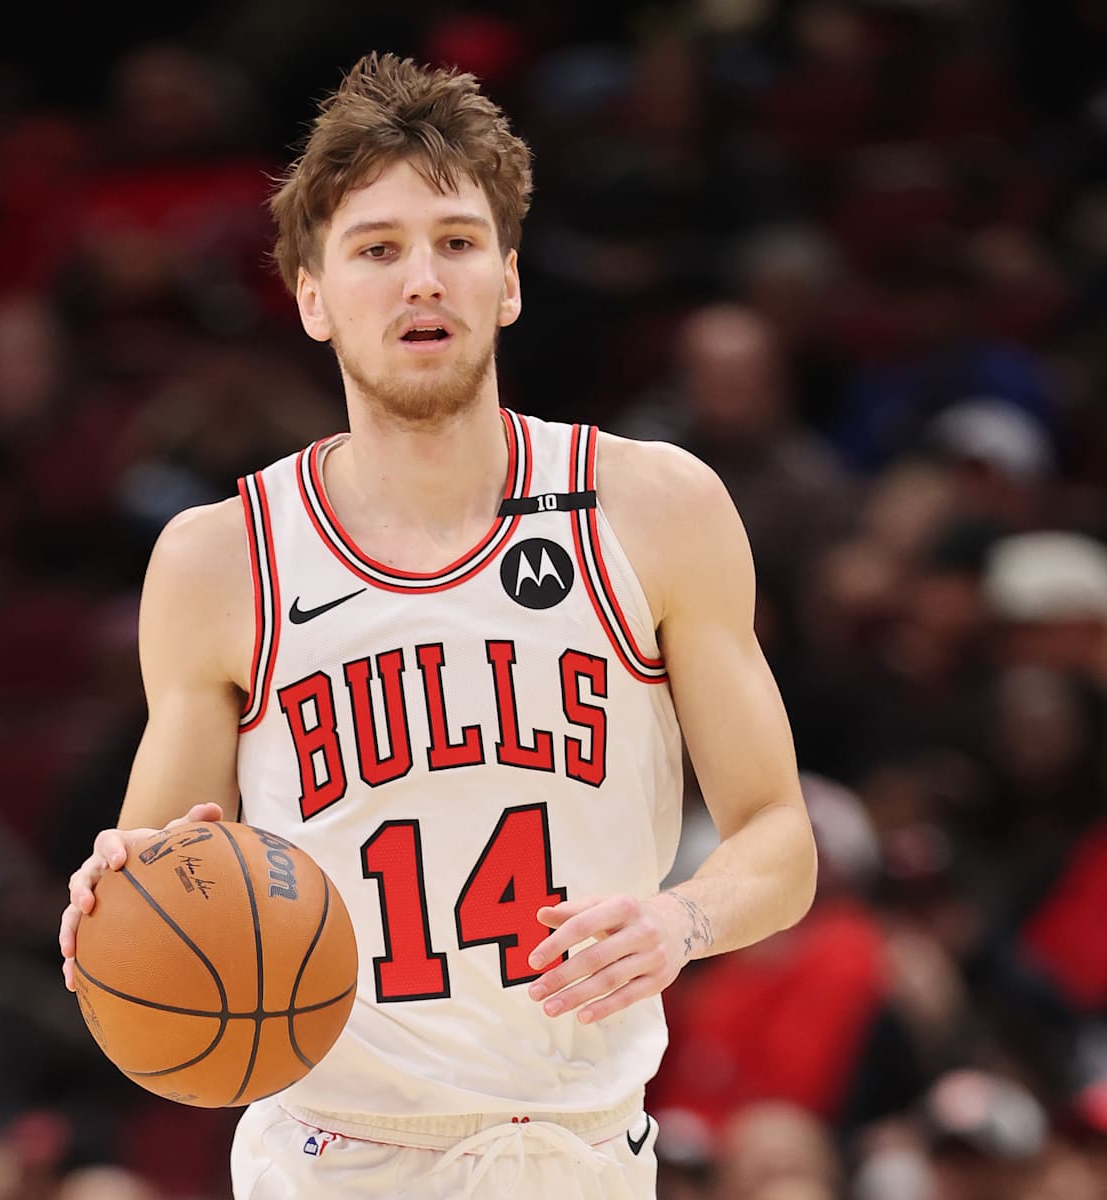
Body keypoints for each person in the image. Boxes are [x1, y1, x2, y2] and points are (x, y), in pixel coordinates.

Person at [57, 54, 816, 1199]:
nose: (424, 279)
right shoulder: (222, 560)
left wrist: (682, 920)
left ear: (508, 282)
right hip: (333, 1155)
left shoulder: (654, 507)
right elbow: (165, 872)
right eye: (377, 249)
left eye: (457, 243)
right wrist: (112, 894)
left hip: (577, 1151)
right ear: (311, 297)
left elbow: (781, 840)